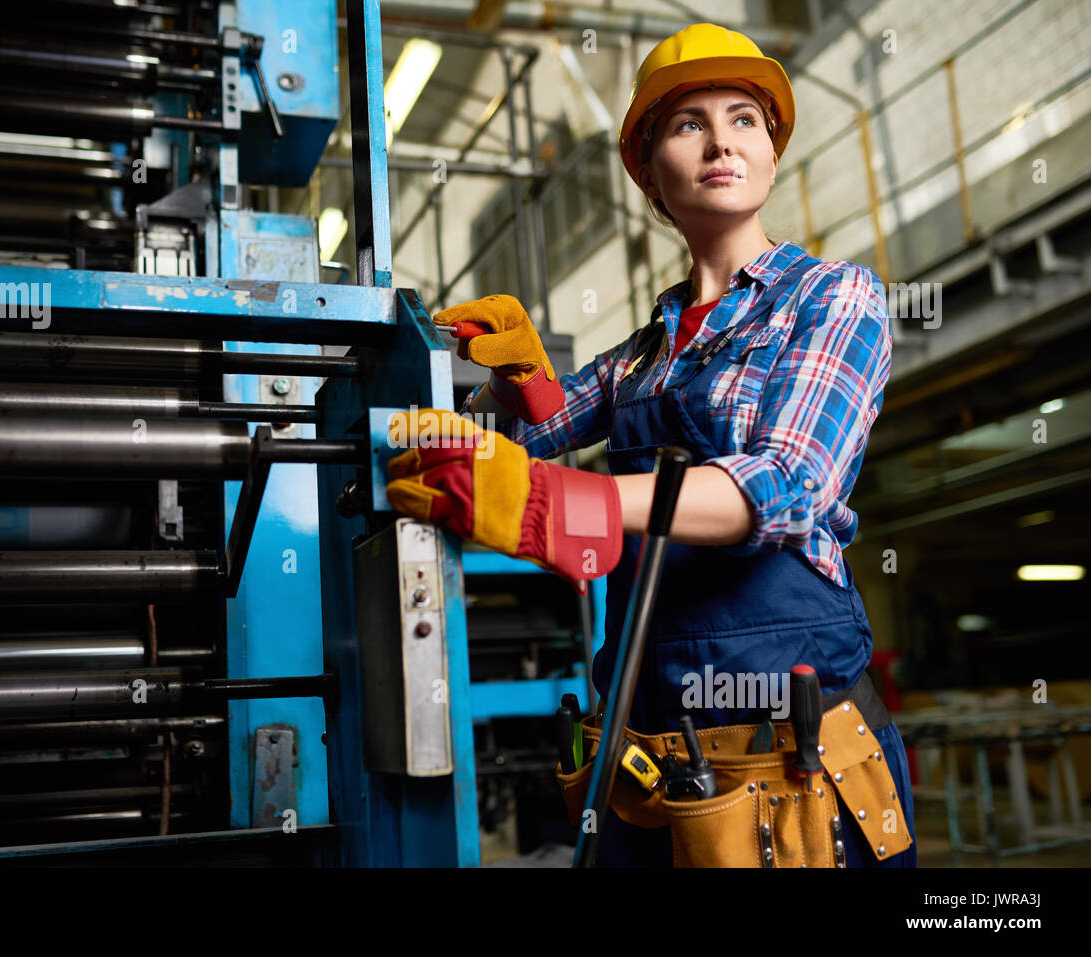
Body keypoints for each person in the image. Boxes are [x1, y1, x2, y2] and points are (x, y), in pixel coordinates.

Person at [384, 23, 915, 868]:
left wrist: (576, 502)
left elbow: (789, 482)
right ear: (649, 173)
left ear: (772, 153)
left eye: (744, 119)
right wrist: (512, 383)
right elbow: (531, 436)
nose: (720, 143)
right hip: (647, 753)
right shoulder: (642, 352)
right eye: (687, 124)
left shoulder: (831, 297)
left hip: (790, 756)